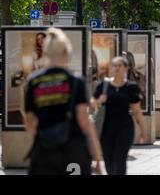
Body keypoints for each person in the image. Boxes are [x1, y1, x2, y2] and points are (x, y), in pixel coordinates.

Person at [24, 27, 102, 175]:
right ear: (66, 52)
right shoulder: (75, 81)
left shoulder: (34, 81)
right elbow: (84, 121)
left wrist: (48, 137)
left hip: (43, 153)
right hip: (73, 152)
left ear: (46, 52)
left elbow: (30, 122)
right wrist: (97, 159)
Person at [91, 56, 147, 175]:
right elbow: (92, 104)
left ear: (126, 68)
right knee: (108, 161)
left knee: (120, 159)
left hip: (125, 128)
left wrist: (143, 130)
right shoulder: (104, 85)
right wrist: (100, 100)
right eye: (114, 66)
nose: (116, 68)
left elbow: (136, 110)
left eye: (119, 66)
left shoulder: (131, 87)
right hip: (106, 129)